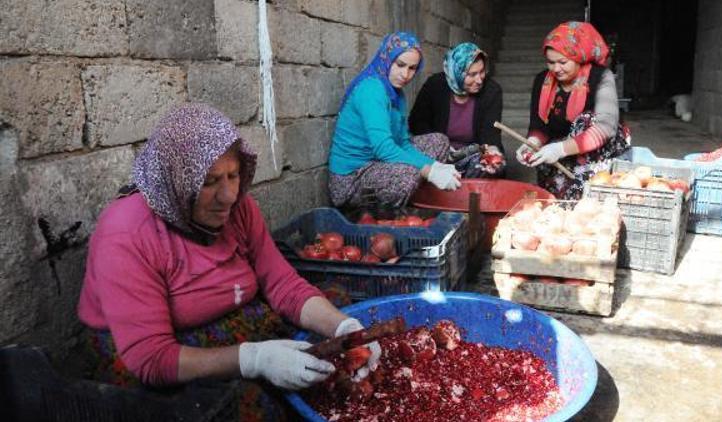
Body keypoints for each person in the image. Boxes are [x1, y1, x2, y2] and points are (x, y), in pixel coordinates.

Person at [77, 103, 380, 420]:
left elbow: (283, 285)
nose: (228, 196)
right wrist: (254, 360)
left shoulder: (239, 208)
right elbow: (152, 358)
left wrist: (346, 328)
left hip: (235, 314)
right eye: (208, 182)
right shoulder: (126, 232)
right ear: (177, 183)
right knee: (250, 406)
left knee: (336, 310)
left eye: (233, 175)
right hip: (162, 350)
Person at [328, 32, 461, 209]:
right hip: (351, 179)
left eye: (412, 68)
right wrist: (429, 172)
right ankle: (384, 213)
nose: (405, 74)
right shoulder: (372, 90)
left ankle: (410, 193)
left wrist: (435, 166)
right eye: (400, 65)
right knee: (406, 175)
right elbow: (384, 148)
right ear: (386, 59)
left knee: (438, 141)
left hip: (378, 163)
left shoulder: (396, 94)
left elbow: (403, 144)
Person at [516, 21, 630, 199]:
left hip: (598, 149)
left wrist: (560, 149)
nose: (556, 69)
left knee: (585, 119)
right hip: (562, 145)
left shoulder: (600, 77)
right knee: (551, 192)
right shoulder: (542, 81)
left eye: (562, 62)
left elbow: (605, 128)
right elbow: (540, 126)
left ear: (579, 57)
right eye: (550, 62)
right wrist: (531, 144)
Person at [409, 42, 506, 178]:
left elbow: (490, 135)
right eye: (472, 74)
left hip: (473, 154)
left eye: (482, 72)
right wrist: (440, 148)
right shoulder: (435, 85)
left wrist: (493, 152)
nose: (479, 80)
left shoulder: (491, 91)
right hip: (439, 153)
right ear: (456, 72)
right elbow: (417, 123)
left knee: (491, 168)